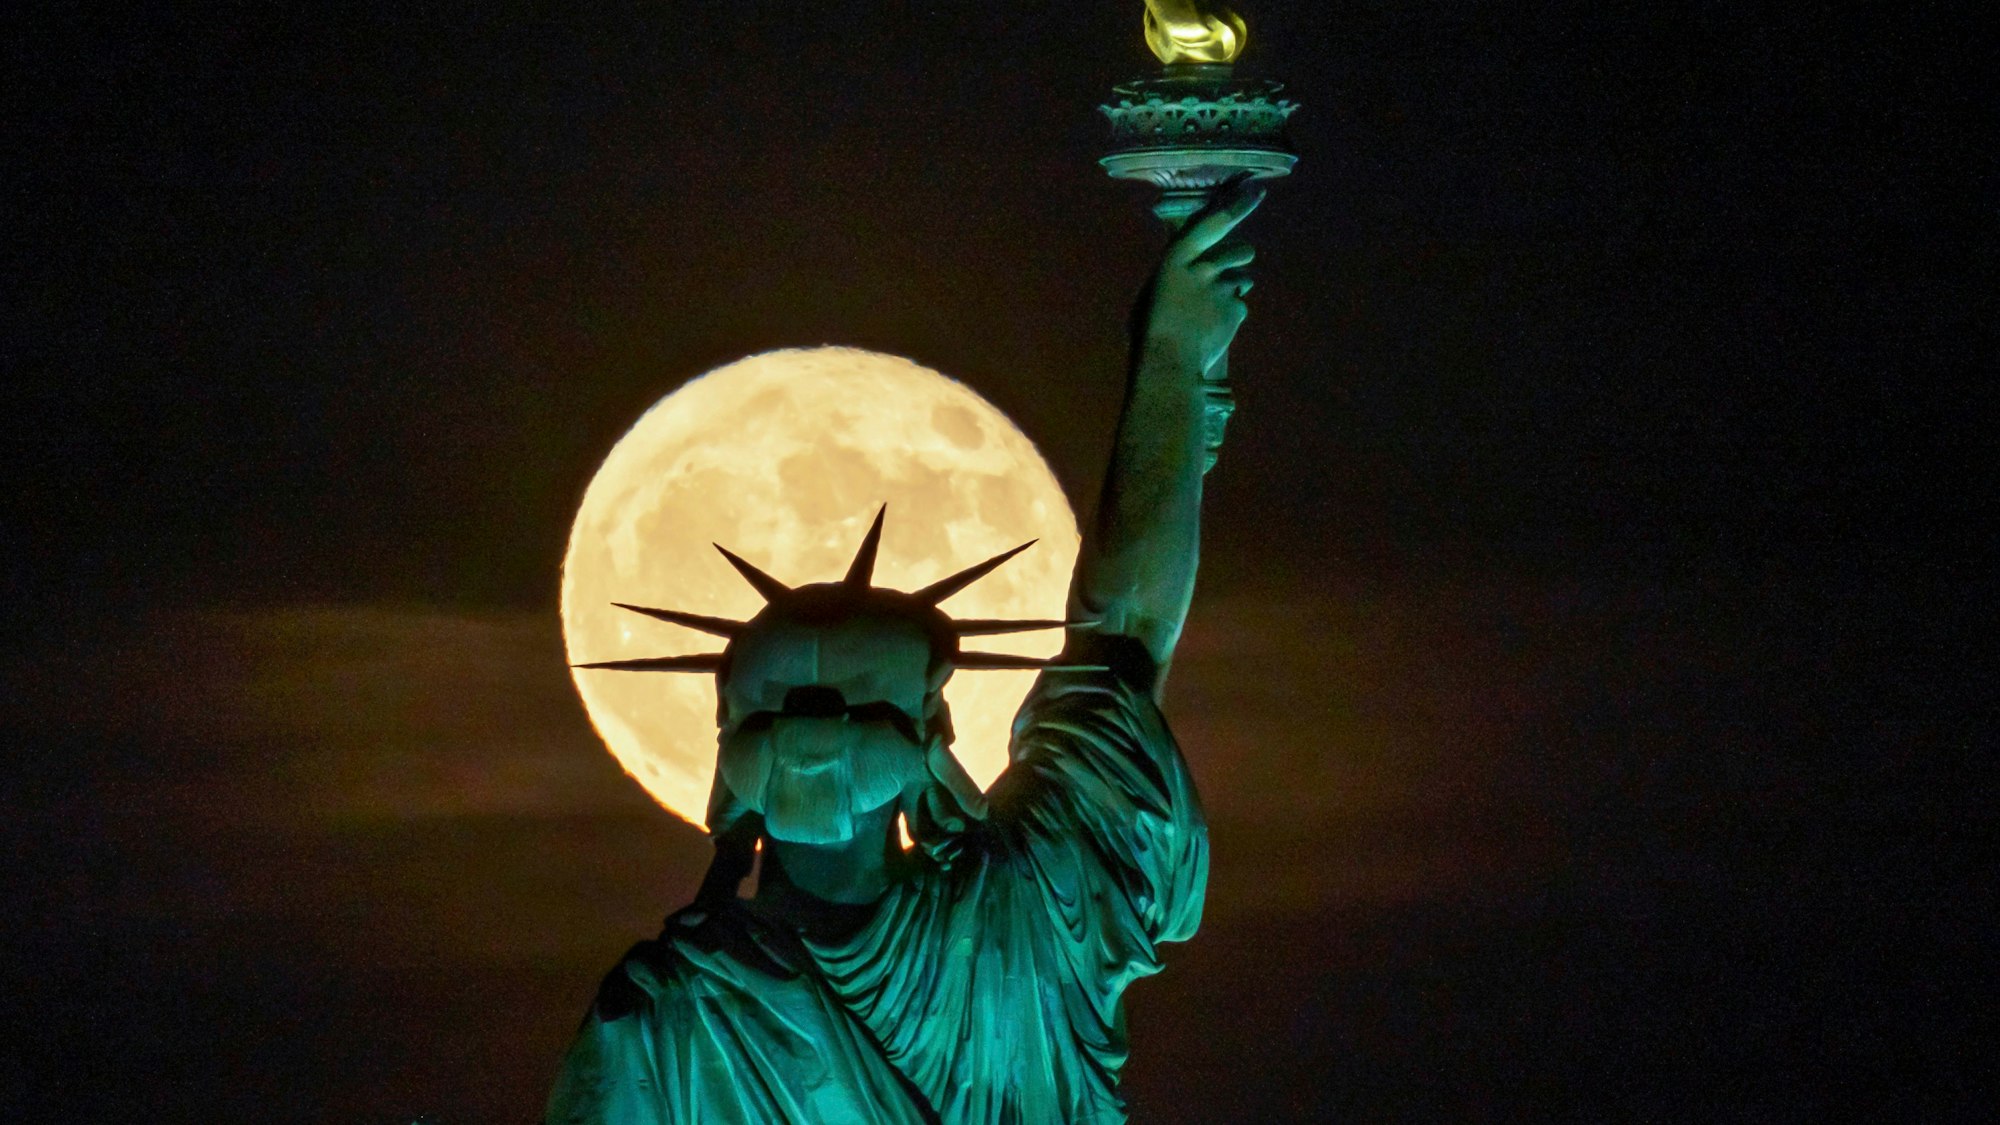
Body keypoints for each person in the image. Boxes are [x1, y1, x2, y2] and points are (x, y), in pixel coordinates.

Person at [545, 179, 1265, 1125]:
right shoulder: (1033, 911)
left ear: (728, 762)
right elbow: (1126, 629)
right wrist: (1173, 358)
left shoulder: (663, 1011)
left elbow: (1125, 632)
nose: (812, 729)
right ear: (933, 736)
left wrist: (1172, 358)